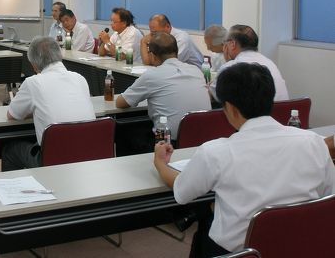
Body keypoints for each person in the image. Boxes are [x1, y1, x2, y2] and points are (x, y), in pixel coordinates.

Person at [153, 63, 335, 256]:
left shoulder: (215, 152)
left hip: (242, 252)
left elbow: (182, 192)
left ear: (230, 108)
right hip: (304, 245)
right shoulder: (314, 142)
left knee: (205, 228)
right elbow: (328, 196)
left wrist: (160, 163)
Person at [2, 36, 95, 171]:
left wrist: (34, 111)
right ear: (60, 55)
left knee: (10, 150)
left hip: (54, 160)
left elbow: (12, 115)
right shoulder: (80, 78)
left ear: (34, 64)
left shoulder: (33, 82)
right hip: (90, 155)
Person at [115, 32, 210, 143]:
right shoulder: (196, 70)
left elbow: (121, 103)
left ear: (153, 56)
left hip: (167, 142)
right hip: (204, 138)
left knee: (127, 134)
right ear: (176, 52)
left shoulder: (152, 75)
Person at [209, 24, 288, 101]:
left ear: (233, 44)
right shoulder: (269, 62)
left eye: (226, 42)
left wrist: (227, 64)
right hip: (283, 112)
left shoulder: (230, 67)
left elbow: (213, 94)